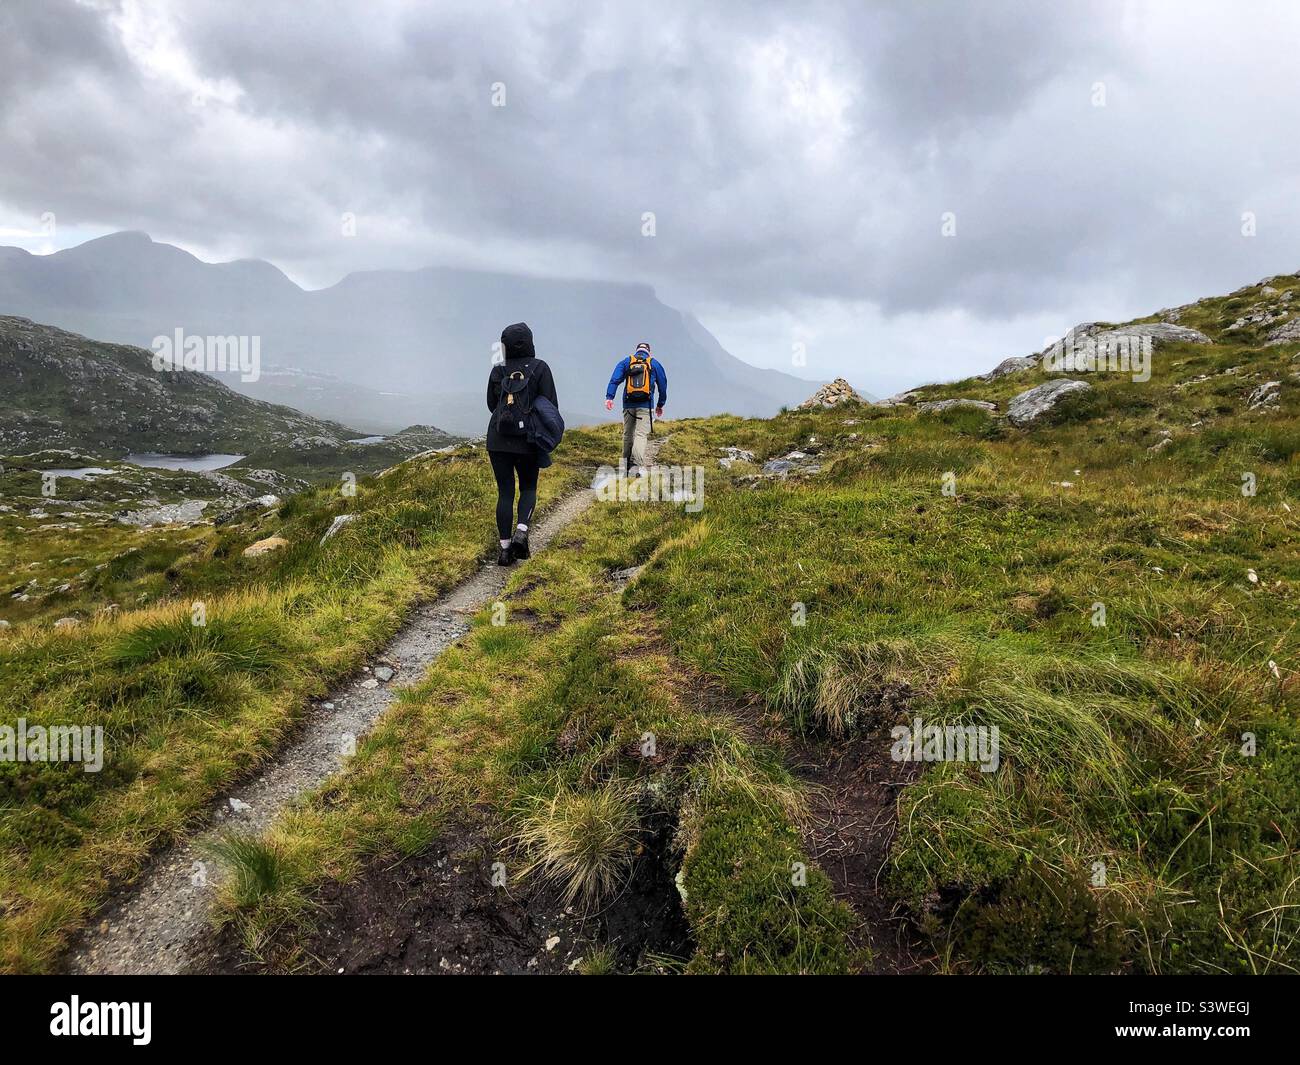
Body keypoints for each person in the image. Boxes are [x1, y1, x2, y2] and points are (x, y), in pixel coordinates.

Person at [486, 322, 558, 566]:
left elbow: (490, 404)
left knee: (504, 493)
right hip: (528, 440)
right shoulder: (540, 368)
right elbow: (549, 407)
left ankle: (505, 550)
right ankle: (522, 530)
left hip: (497, 440)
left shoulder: (498, 369)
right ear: (530, 342)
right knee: (528, 488)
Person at [604, 342, 667, 474]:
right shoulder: (654, 364)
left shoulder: (627, 362)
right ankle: (635, 465)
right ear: (649, 351)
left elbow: (614, 379)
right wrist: (660, 404)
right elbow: (663, 385)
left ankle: (625, 465)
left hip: (628, 404)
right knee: (640, 434)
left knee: (628, 434)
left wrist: (610, 397)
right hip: (646, 405)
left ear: (637, 350)